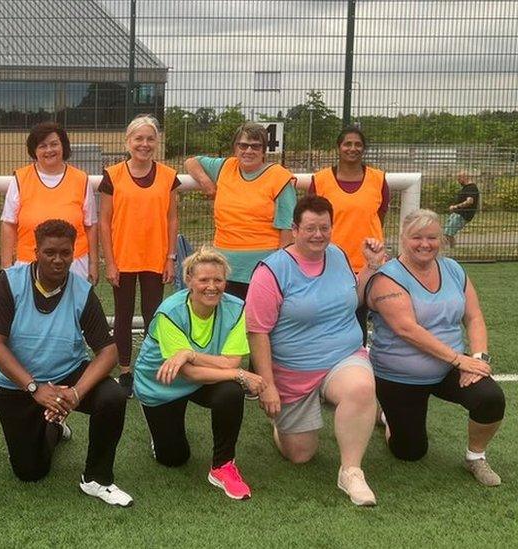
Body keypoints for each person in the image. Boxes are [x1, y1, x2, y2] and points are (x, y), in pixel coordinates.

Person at [245, 196, 386, 507]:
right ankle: (282, 426)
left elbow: (355, 299)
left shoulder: (337, 255)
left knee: (361, 388)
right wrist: (268, 386)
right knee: (300, 455)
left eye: (324, 228)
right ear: (294, 229)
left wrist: (370, 269)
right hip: (294, 371)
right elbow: (257, 332)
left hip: (343, 355)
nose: (318, 235)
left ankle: (350, 472)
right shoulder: (271, 271)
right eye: (310, 228)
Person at [0, 219, 132, 508]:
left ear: (73, 252)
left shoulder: (82, 290)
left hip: (67, 376)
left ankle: (97, 478)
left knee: (113, 395)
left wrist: (76, 392)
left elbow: (108, 351)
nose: (58, 260)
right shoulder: (10, 281)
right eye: (50, 252)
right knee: (30, 472)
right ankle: (54, 427)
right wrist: (34, 387)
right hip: (17, 384)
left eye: (65, 253)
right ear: (36, 251)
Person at [367, 208, 504, 486]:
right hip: (399, 375)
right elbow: (408, 329)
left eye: (432, 237)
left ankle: (475, 458)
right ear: (403, 238)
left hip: (448, 368)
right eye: (417, 237)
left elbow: (474, 316)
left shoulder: (453, 269)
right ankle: (388, 416)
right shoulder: (386, 277)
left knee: (490, 396)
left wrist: (477, 360)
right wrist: (458, 360)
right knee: (410, 452)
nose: (425, 244)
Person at [133, 247, 264, 500]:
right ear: (189, 281)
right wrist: (240, 374)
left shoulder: (236, 308)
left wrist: (192, 353)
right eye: (204, 280)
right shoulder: (169, 312)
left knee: (230, 392)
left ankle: (223, 466)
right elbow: (190, 373)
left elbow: (231, 361)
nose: (211, 286)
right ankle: (160, 432)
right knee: (173, 458)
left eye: (218, 280)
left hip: (203, 376)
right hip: (162, 385)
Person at [98, 115, 180, 398]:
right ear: (128, 142)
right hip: (123, 258)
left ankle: (148, 366)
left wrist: (170, 257)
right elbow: (104, 221)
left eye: (150, 139)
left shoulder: (169, 176)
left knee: (153, 315)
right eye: (138, 138)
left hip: (155, 259)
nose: (144, 144)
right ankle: (125, 370)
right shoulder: (113, 175)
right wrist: (109, 261)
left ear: (156, 142)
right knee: (122, 316)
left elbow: (171, 219)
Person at [184, 122, 297, 299]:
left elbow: (288, 228)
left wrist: (279, 268)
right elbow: (191, 162)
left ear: (264, 150)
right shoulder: (225, 167)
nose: (248, 151)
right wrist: (207, 184)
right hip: (224, 269)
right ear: (235, 148)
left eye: (255, 146)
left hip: (264, 267)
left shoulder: (279, 177)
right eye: (243, 145)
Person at [311, 126, 390, 339]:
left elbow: (378, 216)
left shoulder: (378, 179)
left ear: (364, 149)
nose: (352, 148)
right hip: (329, 263)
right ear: (338, 147)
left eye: (358, 144)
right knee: (326, 319)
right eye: (347, 143)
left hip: (367, 264)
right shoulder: (320, 180)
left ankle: (360, 365)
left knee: (359, 320)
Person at [0, 122, 98, 283]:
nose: (49, 150)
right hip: (28, 263)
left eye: (54, 144)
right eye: (42, 146)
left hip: (74, 264)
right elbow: (8, 224)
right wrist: (6, 266)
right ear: (34, 151)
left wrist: (93, 264)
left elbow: (91, 225)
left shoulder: (81, 179)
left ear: (63, 146)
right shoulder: (20, 179)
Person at [443, 170, 481, 248]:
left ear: (465, 177)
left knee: (448, 233)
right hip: (458, 213)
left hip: (463, 215)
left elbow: (469, 201)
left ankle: (450, 249)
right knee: (447, 232)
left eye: (459, 178)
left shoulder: (471, 188)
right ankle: (451, 248)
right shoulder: (466, 188)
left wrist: (456, 207)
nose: (458, 180)